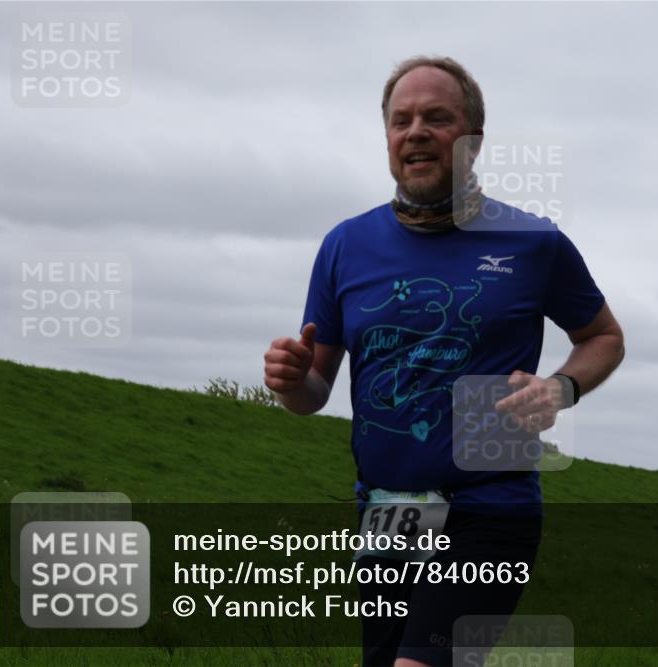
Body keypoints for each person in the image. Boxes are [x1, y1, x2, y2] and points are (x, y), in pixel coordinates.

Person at [263, 56, 624, 667]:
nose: (416, 131)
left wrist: (560, 389)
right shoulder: (345, 246)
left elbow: (604, 337)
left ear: (473, 139)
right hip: (388, 513)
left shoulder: (533, 243)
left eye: (437, 117)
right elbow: (314, 392)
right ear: (387, 139)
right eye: (401, 120)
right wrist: (291, 381)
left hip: (490, 506)